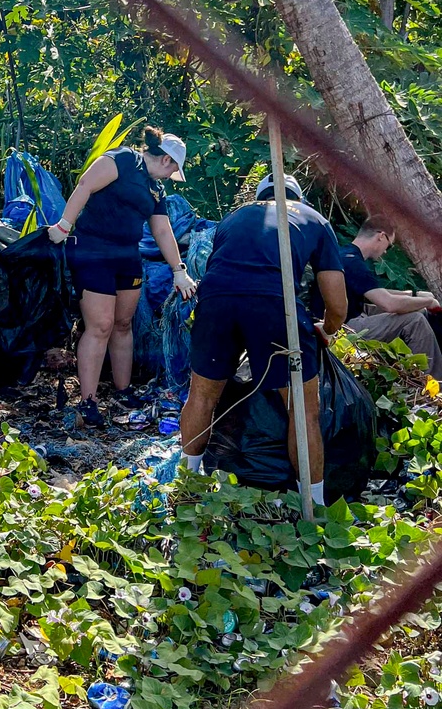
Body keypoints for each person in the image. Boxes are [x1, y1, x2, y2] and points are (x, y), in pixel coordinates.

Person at [180, 173, 347, 508]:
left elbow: (225, 269)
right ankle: (312, 505)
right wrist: (326, 330)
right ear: (299, 198)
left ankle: (187, 486)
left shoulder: (235, 217)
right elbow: (338, 305)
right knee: (302, 409)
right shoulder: (314, 219)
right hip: (274, 305)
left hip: (215, 302)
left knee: (201, 396)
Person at [47, 126, 196, 429]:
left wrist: (179, 270)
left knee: (122, 323)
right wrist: (64, 224)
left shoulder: (156, 189)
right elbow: (86, 184)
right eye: (173, 170)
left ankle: (123, 390)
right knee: (100, 325)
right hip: (94, 250)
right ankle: (88, 400)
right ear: (167, 161)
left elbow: (162, 230)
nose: (170, 177)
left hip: (127, 255)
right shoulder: (123, 159)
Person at [336, 215, 442, 378]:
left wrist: (416, 297)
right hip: (345, 328)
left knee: (419, 311)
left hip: (353, 312)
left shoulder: (346, 254)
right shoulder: (353, 263)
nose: (385, 251)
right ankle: (433, 385)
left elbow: (375, 292)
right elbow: (388, 304)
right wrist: (428, 301)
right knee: (415, 321)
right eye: (389, 246)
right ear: (381, 236)